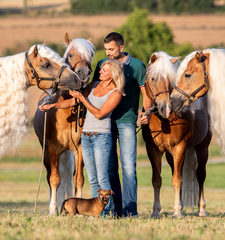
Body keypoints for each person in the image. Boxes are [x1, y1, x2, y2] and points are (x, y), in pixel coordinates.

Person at [40, 59, 126, 215]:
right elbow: (73, 101)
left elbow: (99, 114)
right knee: (92, 178)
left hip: (101, 137)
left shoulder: (116, 93)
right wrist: (52, 106)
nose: (100, 71)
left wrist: (82, 99)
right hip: (86, 137)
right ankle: (96, 212)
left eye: (104, 70)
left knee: (102, 176)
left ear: (113, 74)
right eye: (101, 70)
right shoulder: (93, 85)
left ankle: (107, 212)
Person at [91, 32, 152, 217]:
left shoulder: (137, 66)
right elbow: (95, 88)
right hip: (105, 122)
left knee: (128, 168)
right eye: (106, 49)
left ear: (121, 48)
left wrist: (146, 112)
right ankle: (116, 210)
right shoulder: (103, 64)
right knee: (109, 168)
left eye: (111, 49)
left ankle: (130, 211)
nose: (108, 53)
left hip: (127, 121)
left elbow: (146, 94)